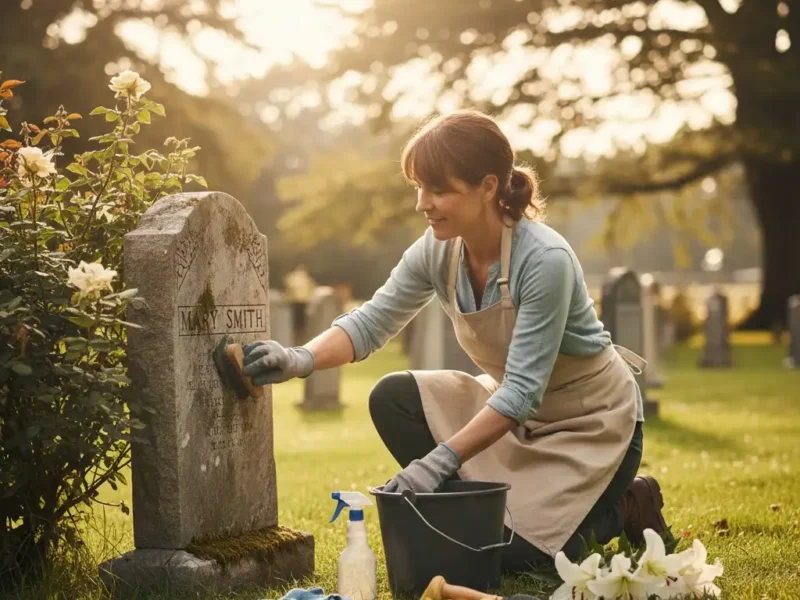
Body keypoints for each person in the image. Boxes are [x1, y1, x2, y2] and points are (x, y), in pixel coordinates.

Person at [242, 110, 668, 572]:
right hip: (513, 415)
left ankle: (627, 503)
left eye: (439, 189)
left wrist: (439, 461)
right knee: (394, 397)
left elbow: (523, 391)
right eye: (419, 188)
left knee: (512, 559)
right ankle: (482, 518)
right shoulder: (436, 248)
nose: (423, 203)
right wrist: (299, 358)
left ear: (487, 187)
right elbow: (370, 322)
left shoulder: (545, 259)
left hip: (593, 425)